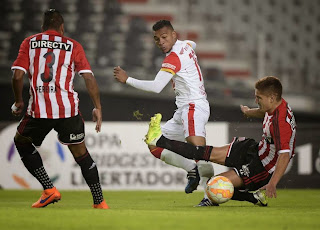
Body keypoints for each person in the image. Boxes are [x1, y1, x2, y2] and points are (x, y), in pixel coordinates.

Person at [11, 9, 109, 209]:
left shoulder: (29, 43)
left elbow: (17, 76)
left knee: (22, 142)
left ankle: (49, 189)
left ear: (43, 27)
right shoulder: (73, 45)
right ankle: (99, 202)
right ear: (62, 28)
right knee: (81, 154)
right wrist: (97, 107)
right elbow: (89, 78)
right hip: (68, 111)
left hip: (39, 111)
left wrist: (19, 101)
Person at [145, 76, 296, 206]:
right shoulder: (276, 105)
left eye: (259, 98)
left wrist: (272, 183)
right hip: (255, 150)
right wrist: (249, 112)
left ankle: (251, 197)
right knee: (203, 153)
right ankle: (160, 140)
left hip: (263, 168)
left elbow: (284, 155)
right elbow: (264, 111)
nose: (256, 100)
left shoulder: (281, 122)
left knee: (214, 184)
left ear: (272, 97)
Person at [113, 20, 215, 206]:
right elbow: (193, 45)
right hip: (183, 109)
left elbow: (157, 87)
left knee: (199, 151)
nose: (160, 41)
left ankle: (210, 197)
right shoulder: (186, 45)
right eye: (156, 38)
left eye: (164, 37)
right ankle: (192, 170)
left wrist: (127, 79)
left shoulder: (173, 57)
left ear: (174, 35)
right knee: (154, 143)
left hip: (193, 106)